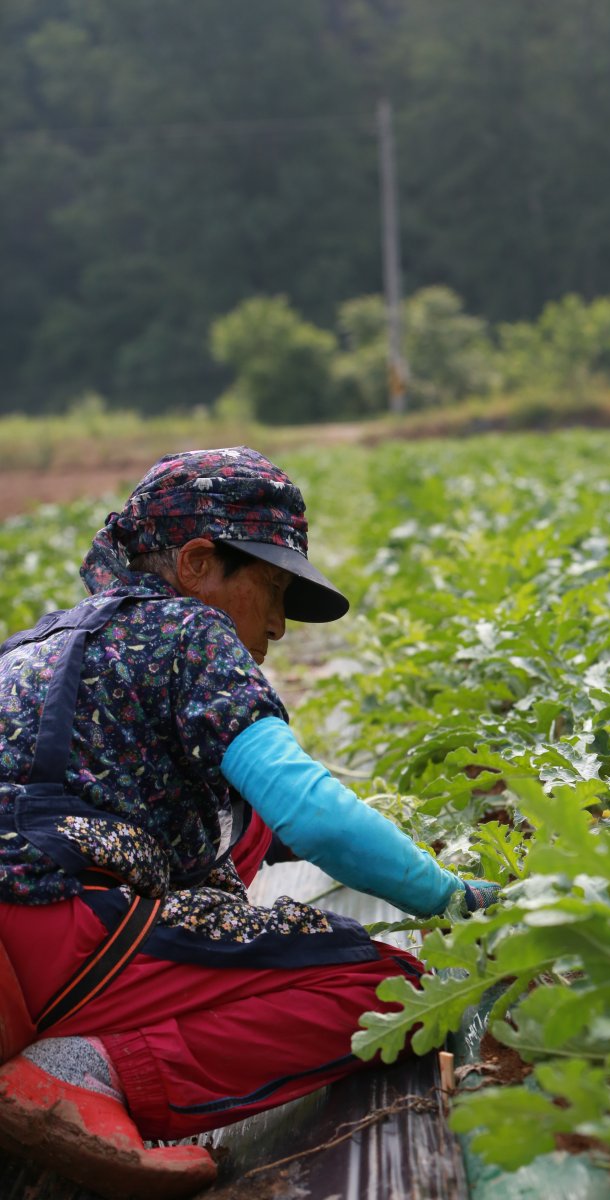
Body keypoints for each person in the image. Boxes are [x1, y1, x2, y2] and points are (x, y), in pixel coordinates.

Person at [0, 447, 499, 1199]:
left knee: (246, 834)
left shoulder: (32, 645)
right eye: (271, 589)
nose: (278, 624)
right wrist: (456, 899)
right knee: (389, 993)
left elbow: (265, 826)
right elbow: (313, 814)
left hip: (21, 947)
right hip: (54, 938)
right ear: (198, 564)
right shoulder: (189, 631)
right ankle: (75, 1073)